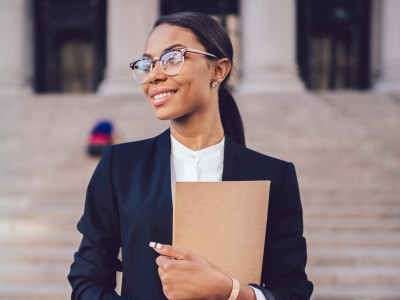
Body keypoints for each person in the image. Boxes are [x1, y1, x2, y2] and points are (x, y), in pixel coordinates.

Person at [68, 11, 313, 300]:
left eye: (173, 59)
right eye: (148, 63)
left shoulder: (273, 176)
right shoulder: (119, 167)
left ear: (218, 70)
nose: (155, 75)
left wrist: (230, 291)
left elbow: (292, 291)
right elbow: (87, 281)